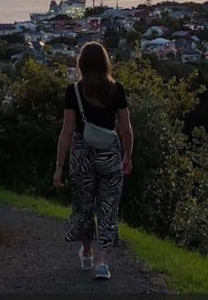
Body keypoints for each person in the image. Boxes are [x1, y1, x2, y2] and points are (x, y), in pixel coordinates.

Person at [53, 42, 133, 281]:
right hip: (109, 152)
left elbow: (67, 131)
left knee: (84, 206)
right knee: (108, 208)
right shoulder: (116, 89)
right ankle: (102, 263)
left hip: (82, 153)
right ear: (105, 62)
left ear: (82, 64)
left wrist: (60, 166)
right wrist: (128, 156)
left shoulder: (74, 91)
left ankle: (87, 252)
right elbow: (126, 128)